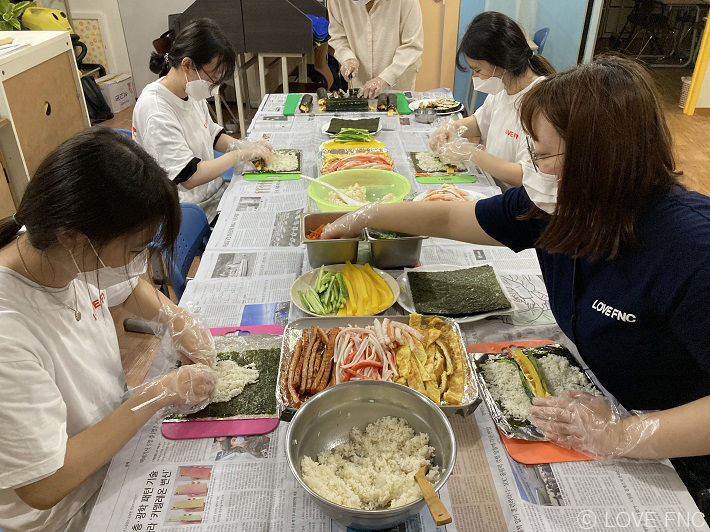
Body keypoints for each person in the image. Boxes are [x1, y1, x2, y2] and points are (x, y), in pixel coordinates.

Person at [321, 55, 710, 503]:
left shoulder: (690, 249)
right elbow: (450, 217)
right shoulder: (558, 205)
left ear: (600, 161)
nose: (530, 169)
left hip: (680, 462)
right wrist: (365, 216)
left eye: (541, 154)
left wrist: (618, 436)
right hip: (599, 398)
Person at [0, 128, 218, 532]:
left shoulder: (58, 246)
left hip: (115, 453)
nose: (140, 264)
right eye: (136, 251)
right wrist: (156, 395)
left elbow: (128, 285)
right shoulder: (9, 331)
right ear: (74, 239)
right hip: (70, 509)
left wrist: (177, 319)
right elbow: (45, 484)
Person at [133, 18, 273, 222]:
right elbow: (190, 177)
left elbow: (213, 135)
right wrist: (240, 154)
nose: (214, 87)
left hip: (212, 196)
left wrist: (248, 146)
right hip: (187, 211)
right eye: (213, 78)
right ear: (188, 64)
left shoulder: (187, 90)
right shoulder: (156, 110)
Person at [429, 11, 554, 188]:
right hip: (493, 186)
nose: (475, 76)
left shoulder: (542, 104)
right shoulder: (503, 87)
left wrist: (473, 154)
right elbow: (480, 123)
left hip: (515, 200)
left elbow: (525, 175)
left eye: (478, 70)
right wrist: (454, 128)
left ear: (501, 62)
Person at [328, 0, 424, 99]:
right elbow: (338, 37)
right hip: (361, 81)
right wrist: (348, 58)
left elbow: (412, 46)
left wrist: (386, 78)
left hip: (397, 81)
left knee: (396, 110)